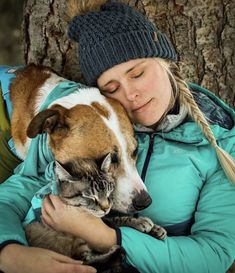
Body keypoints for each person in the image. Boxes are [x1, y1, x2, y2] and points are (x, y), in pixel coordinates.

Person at [0, 1, 235, 273]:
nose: (130, 94)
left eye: (138, 73)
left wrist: (108, 236)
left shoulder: (222, 143)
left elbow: (214, 255)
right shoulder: (89, 122)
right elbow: (18, 191)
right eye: (111, 88)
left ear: (167, 64)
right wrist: (9, 251)